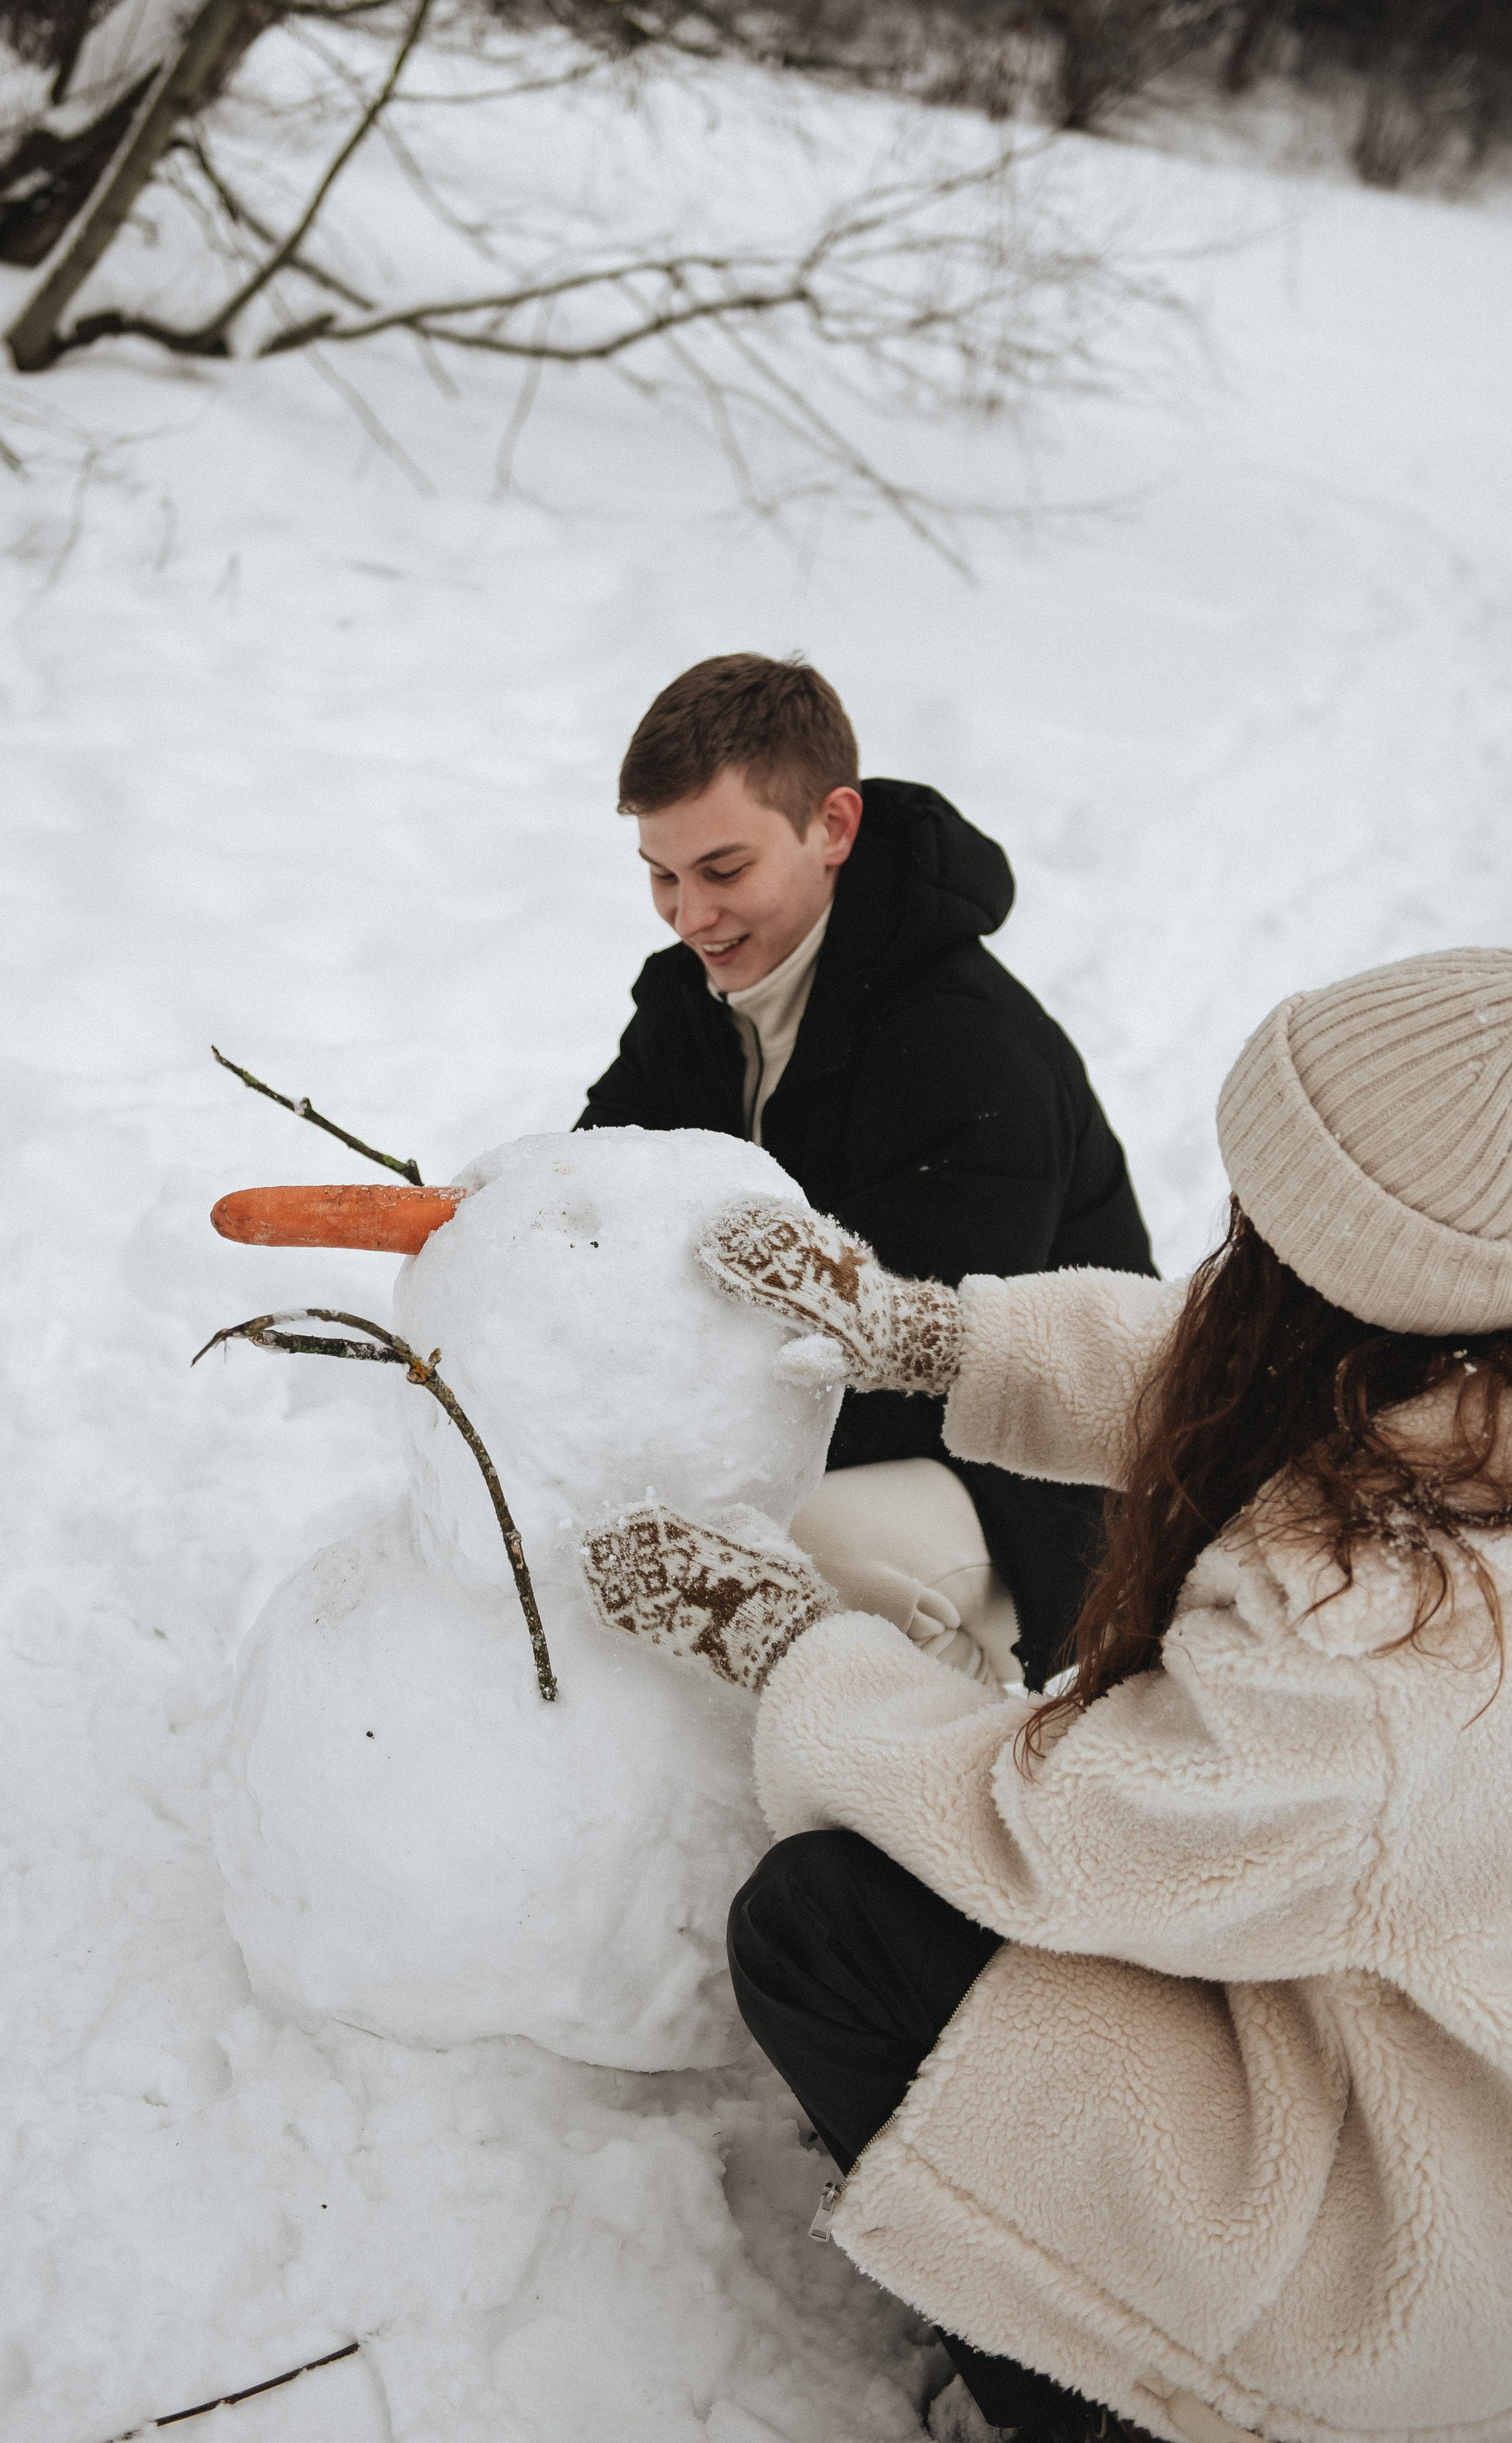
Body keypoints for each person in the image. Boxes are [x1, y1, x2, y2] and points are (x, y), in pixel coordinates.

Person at [580, 947, 1512, 2443]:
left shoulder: (1390, 1644)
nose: (1234, 1247)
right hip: (1364, 2001)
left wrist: (786, 1643)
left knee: (829, 1926)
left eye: (1267, 1229)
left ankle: (1096, 2394)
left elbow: (1057, 1834)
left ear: (1380, 1286)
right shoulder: (1457, 1396)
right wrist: (940, 1334)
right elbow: (1230, 1375)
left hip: (1394, 2227)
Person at [579, 652, 1155, 1691]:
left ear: (833, 828)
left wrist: (684, 1426)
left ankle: (946, 1788)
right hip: (825, 1413)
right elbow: (599, 1198)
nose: (687, 915)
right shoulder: (689, 1003)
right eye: (661, 875)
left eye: (723, 870)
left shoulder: (966, 1046)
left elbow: (929, 1365)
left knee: (804, 1546)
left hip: (1039, 1482)